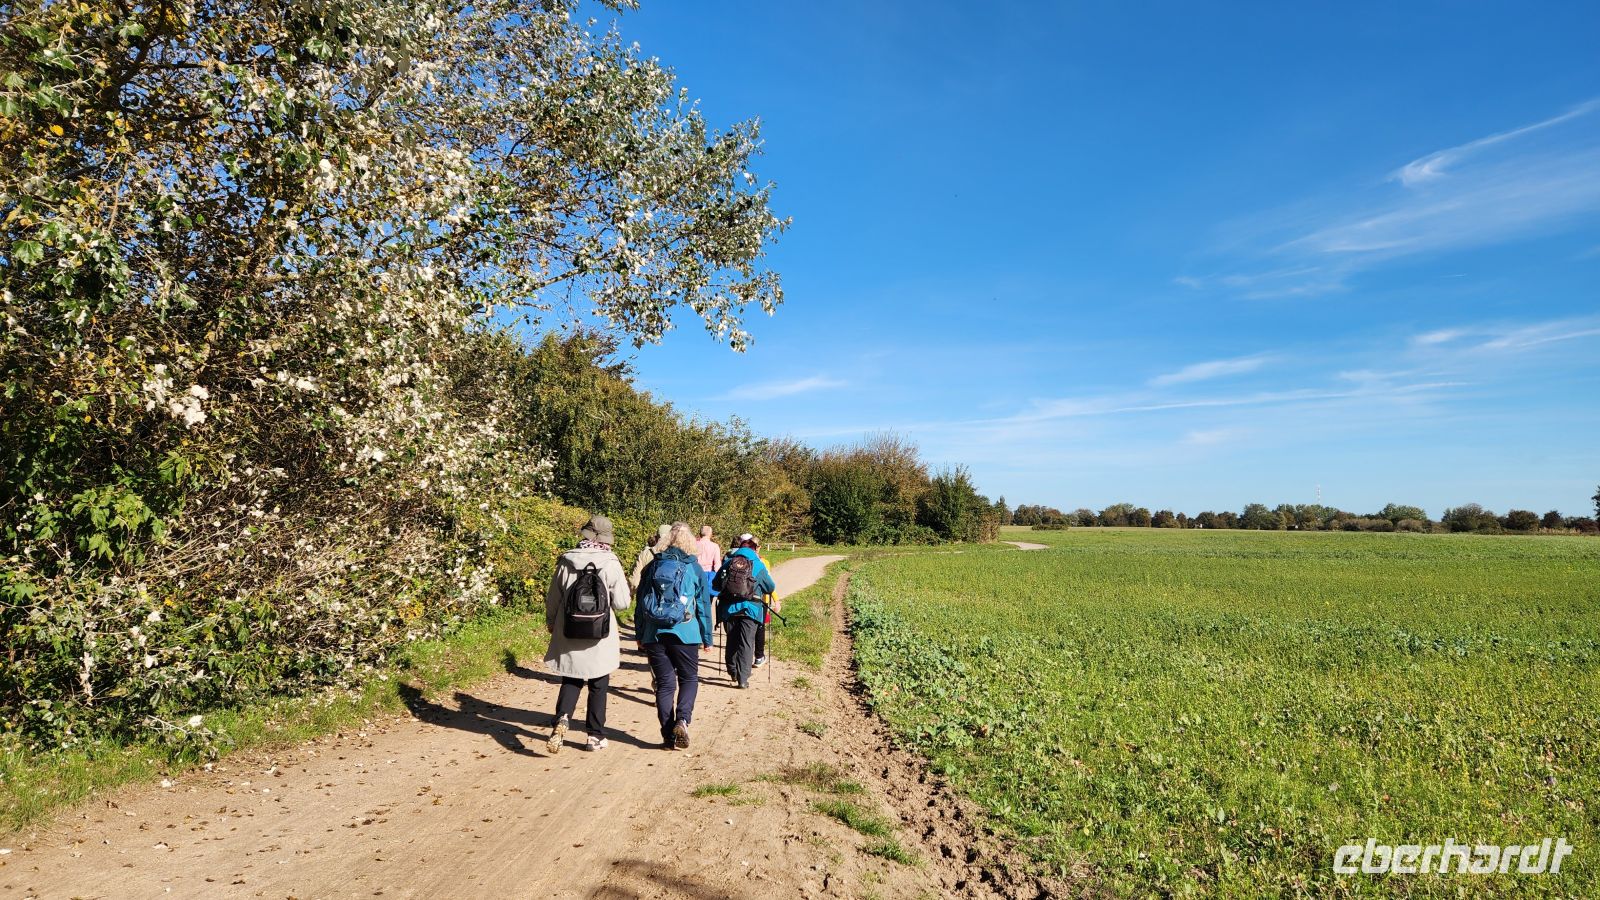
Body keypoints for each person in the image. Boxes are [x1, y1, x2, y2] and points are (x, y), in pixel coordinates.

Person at [542, 515, 631, 753]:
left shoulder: (566, 561)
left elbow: (553, 598)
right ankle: (594, 736)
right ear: (606, 539)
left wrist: (551, 622)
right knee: (598, 683)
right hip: (599, 633)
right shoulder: (611, 563)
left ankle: (562, 718)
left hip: (569, 629)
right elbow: (622, 603)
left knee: (571, 679)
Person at [636, 522, 714, 750]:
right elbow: (703, 606)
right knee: (689, 678)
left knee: (665, 685)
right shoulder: (694, 568)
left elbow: (641, 604)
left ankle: (667, 735)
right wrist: (707, 638)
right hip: (686, 633)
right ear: (690, 541)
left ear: (665, 540)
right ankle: (682, 720)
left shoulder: (652, 566)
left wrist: (640, 634)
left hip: (654, 633)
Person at [713, 533, 777, 689]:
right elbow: (770, 587)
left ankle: (733, 671)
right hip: (751, 609)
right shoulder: (758, 564)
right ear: (755, 549)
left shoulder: (729, 562)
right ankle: (743, 679)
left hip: (729, 609)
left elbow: (715, 584)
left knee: (732, 640)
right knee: (746, 643)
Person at [747, 535, 780, 669]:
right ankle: (759, 656)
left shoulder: (739, 560)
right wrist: (776, 600)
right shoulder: (763, 562)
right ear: (758, 547)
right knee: (760, 628)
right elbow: (769, 585)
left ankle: (743, 657)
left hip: (743, 599)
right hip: (761, 600)